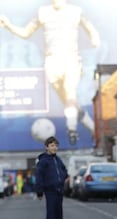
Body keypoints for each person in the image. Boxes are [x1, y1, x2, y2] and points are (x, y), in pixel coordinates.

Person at [0, 0, 100, 145]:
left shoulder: (76, 11)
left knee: (69, 91)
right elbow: (26, 33)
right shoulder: (43, 12)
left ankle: (71, 128)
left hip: (71, 58)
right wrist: (8, 26)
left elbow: (89, 27)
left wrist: (94, 36)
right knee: (68, 102)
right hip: (52, 61)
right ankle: (93, 129)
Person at [35, 136, 68, 219]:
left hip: (59, 189)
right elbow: (39, 176)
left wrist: (63, 178)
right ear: (46, 147)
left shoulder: (58, 160)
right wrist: (39, 191)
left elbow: (64, 170)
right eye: (52, 145)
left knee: (59, 212)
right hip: (50, 190)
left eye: (56, 146)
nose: (54, 148)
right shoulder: (43, 161)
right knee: (51, 212)